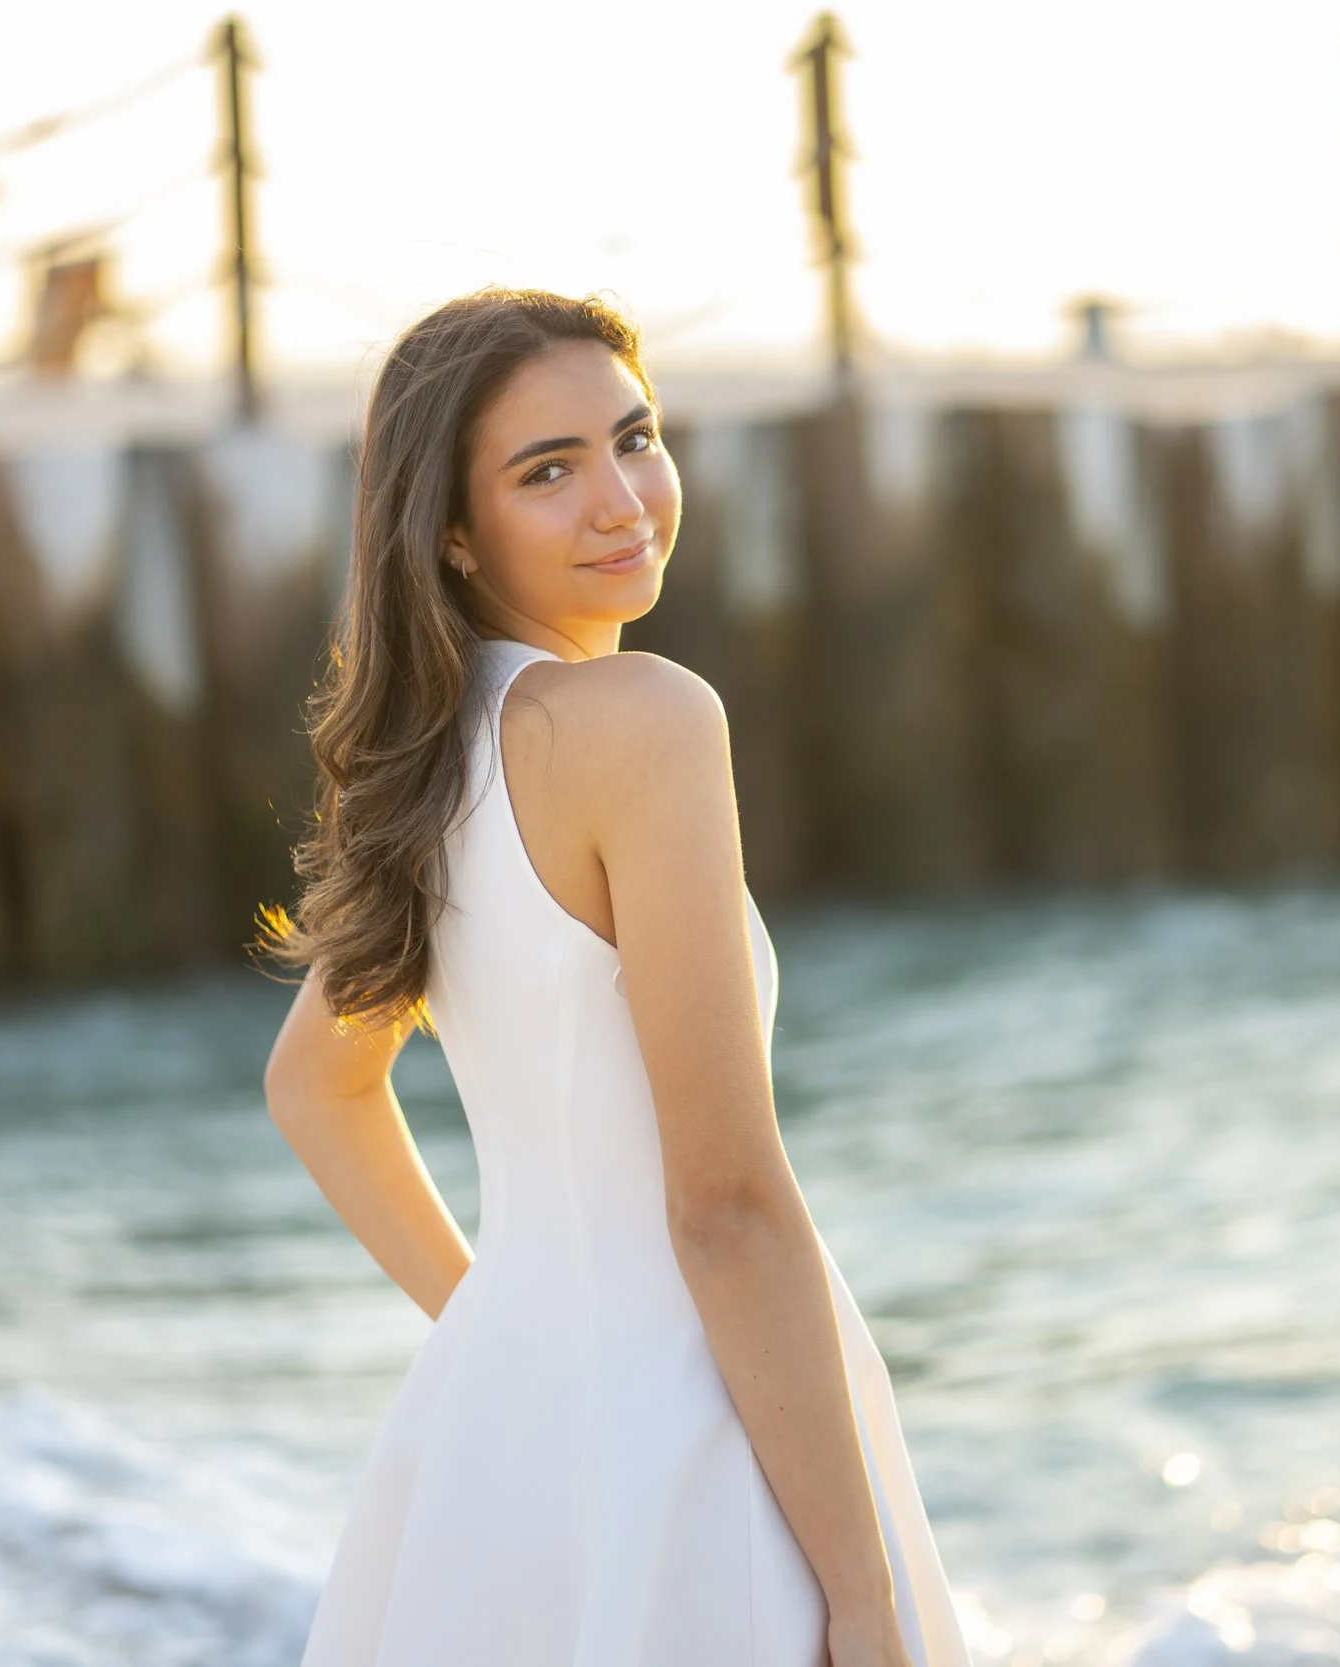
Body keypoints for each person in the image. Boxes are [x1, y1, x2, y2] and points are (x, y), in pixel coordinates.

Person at [261, 288, 970, 1666]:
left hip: (503, 1433)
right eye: (549, 469)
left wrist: (499, 1320)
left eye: (634, 438)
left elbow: (312, 1087)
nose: (623, 498)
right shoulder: (644, 720)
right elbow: (726, 1205)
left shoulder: (425, 764)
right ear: (454, 533)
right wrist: (864, 1591)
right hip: (695, 1431)